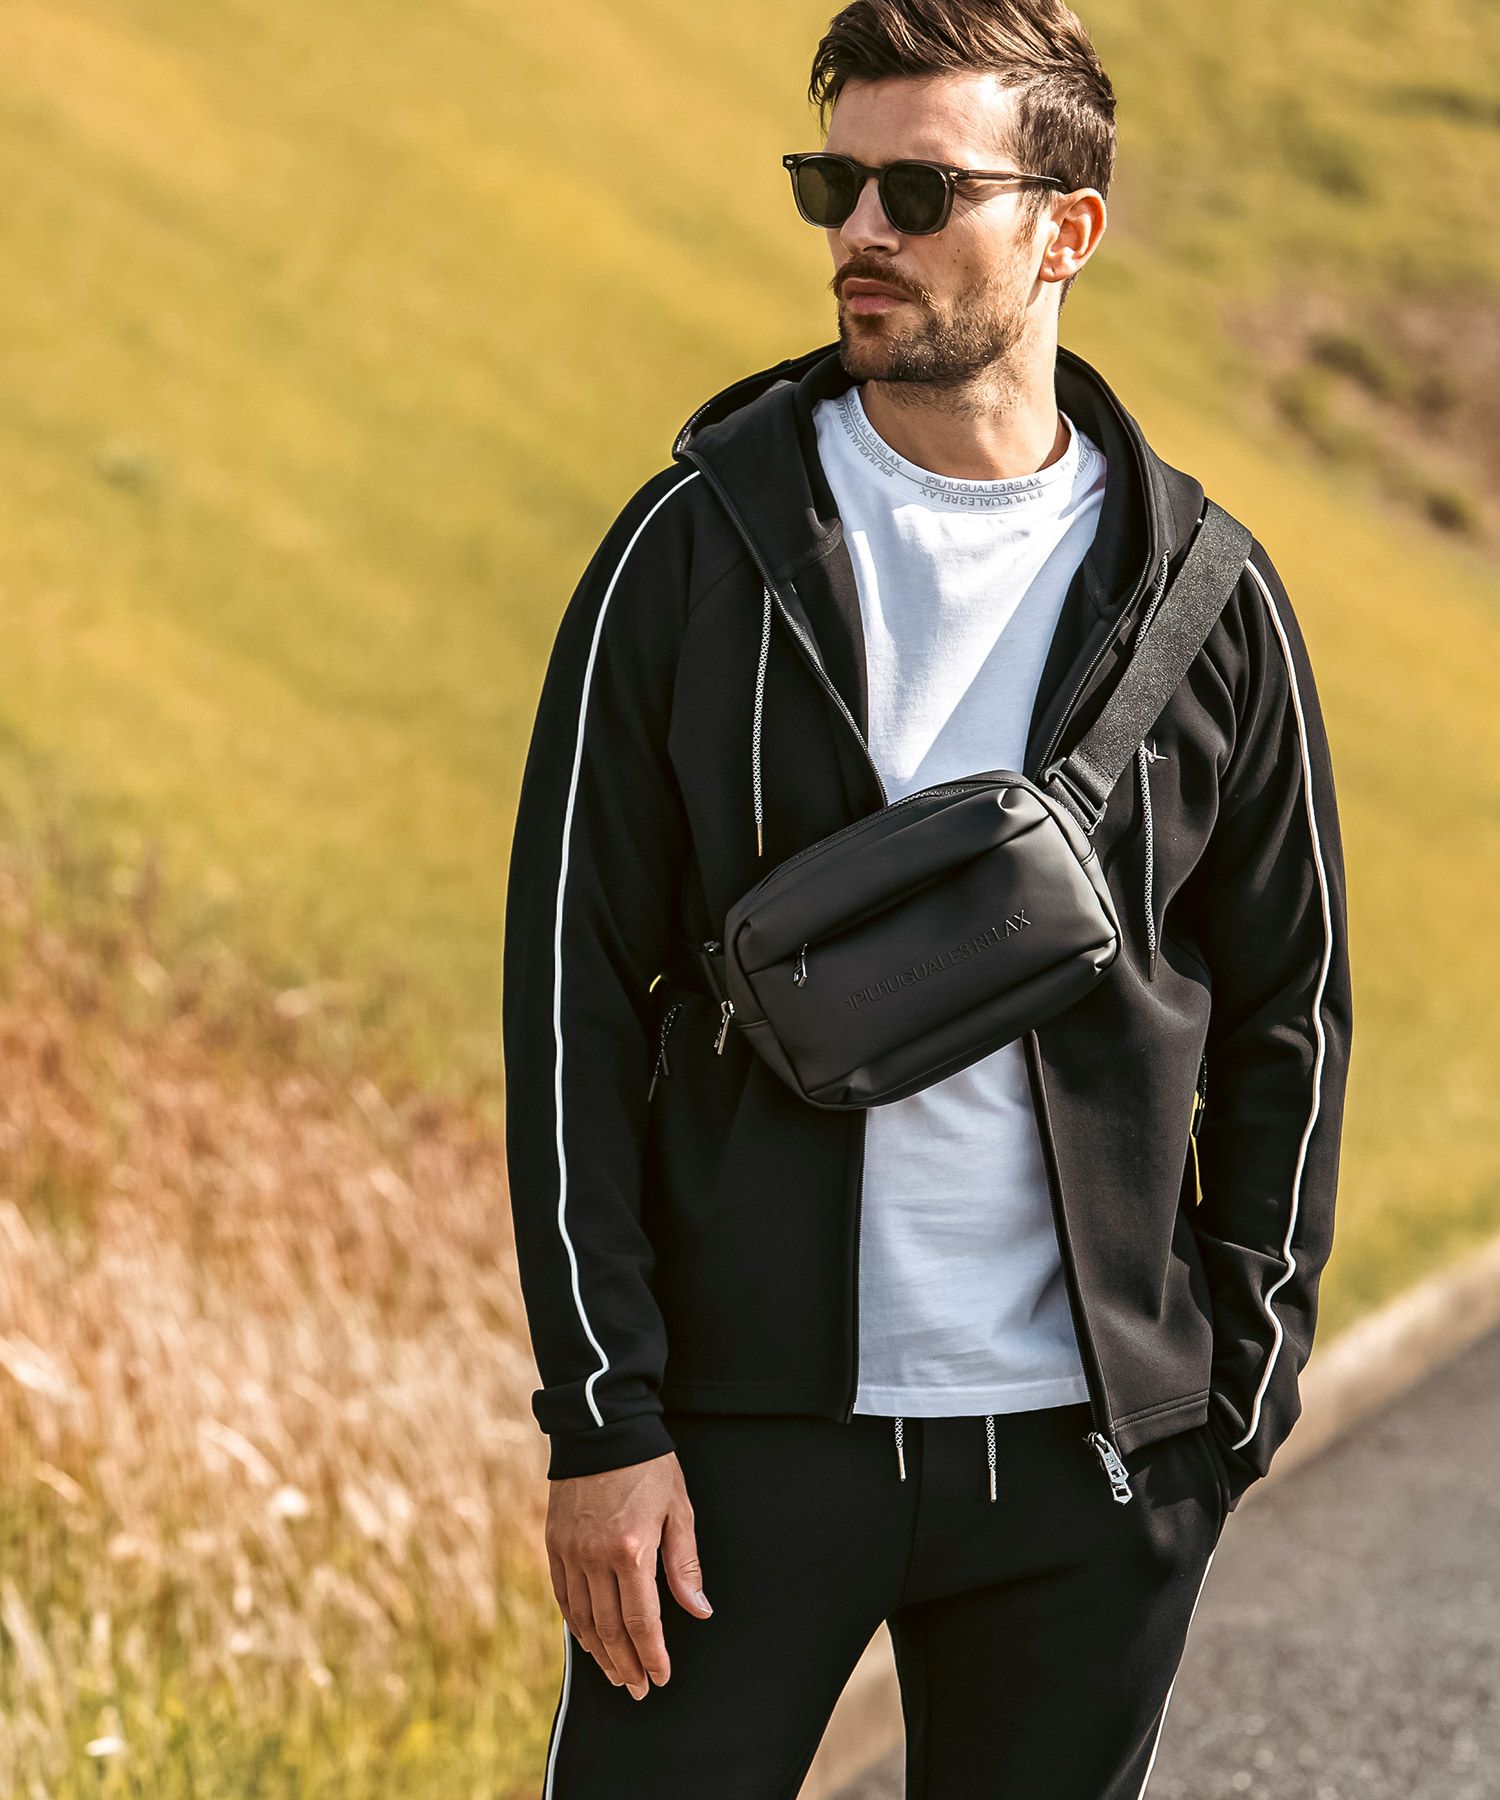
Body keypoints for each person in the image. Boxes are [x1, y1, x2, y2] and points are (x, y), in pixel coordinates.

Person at [501, 2, 1354, 1794]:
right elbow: (565, 993)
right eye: (834, 185)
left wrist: (1231, 1394)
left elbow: (1290, 1005)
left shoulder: (1206, 598)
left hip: (1090, 1465)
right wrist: (604, 1418)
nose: (859, 234)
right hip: (734, 1453)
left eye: (918, 189)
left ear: (1066, 230)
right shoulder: (693, 551)